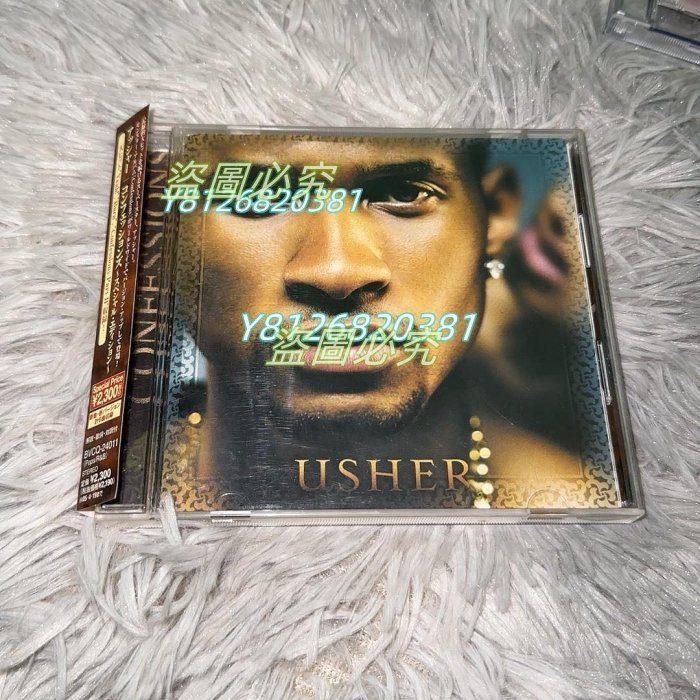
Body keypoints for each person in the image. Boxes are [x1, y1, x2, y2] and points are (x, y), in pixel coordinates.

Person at [162, 133, 611, 511]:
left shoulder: (580, 516)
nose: (337, 272)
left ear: (493, 219)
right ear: (168, 230)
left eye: (401, 193)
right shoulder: (130, 498)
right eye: (259, 195)